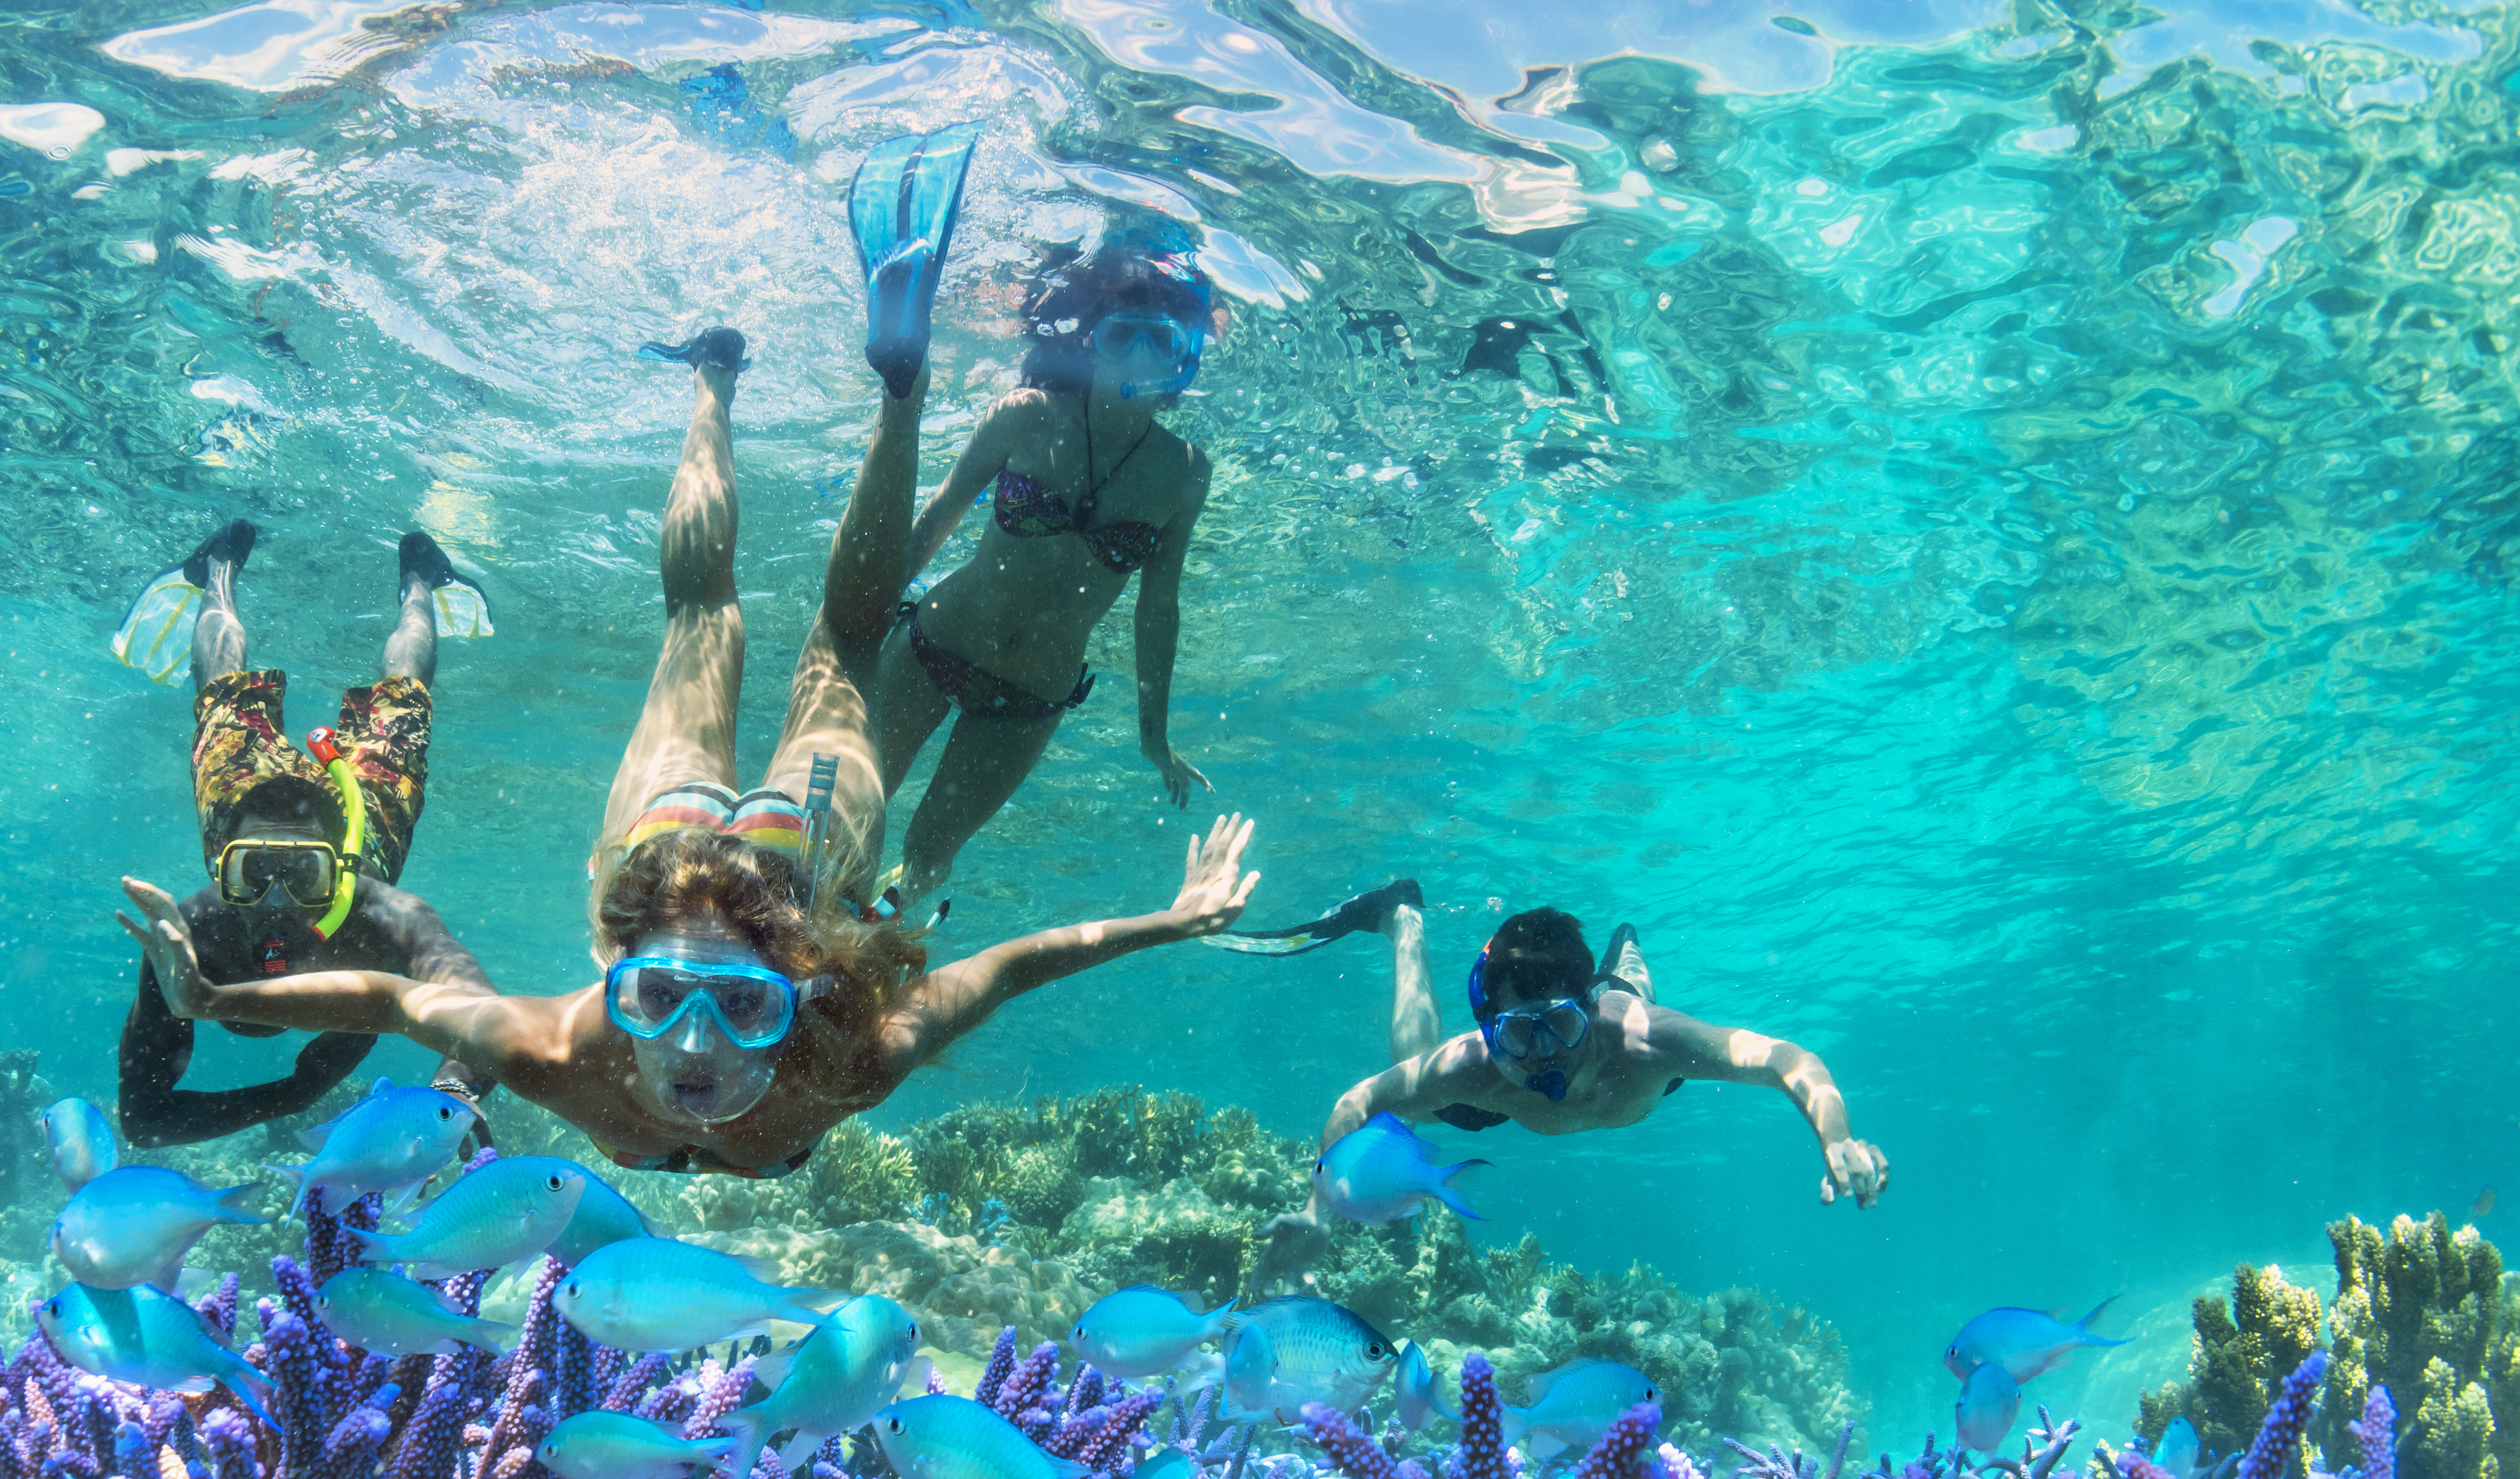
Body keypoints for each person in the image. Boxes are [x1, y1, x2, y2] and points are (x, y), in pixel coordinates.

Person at [115, 133, 1267, 1176]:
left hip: (692, 851)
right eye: (664, 996)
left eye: (706, 1005)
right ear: (798, 988)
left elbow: (394, 1005)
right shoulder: (842, 1061)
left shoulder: (569, 1050)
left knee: (742, 621)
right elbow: (1010, 966)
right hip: (785, 860)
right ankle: (797, 386)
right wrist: (1165, 920)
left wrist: (216, 993)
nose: (694, 1043)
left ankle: (783, 380)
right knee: (784, 627)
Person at [110, 521, 501, 1148]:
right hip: (253, 800)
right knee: (225, 688)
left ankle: (420, 579)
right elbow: (143, 1120)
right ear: (221, 864)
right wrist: (295, 1094)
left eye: (303, 875)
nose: (275, 904)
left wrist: (454, 1093)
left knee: (402, 694)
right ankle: (216, 568)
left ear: (340, 866)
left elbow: (489, 1021)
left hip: (363, 811)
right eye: (255, 872)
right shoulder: (188, 935)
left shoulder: (384, 917)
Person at [1259, 891, 1888, 1271]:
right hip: (1504, 1090)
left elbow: (1787, 1060)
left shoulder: (1644, 1042)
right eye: (1517, 1033)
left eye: (1558, 1025)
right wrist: (1318, 1210)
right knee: (1416, 1084)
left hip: (1629, 1044)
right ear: (1489, 1029)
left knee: (1635, 989)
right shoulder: (1474, 1064)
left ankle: (1624, 951)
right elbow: (1357, 1101)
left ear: (1584, 1010)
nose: (1541, 1058)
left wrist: (1836, 1138)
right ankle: (1404, 918)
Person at [869, 238, 1218, 907]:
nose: (1140, 356)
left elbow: (1158, 609)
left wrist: (1156, 736)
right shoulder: (1026, 416)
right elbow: (936, 520)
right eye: (1123, 336)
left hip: (1029, 700)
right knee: (853, 816)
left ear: (1182, 356)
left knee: (928, 858)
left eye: (1159, 340)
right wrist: (865, 612)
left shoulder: (1183, 472)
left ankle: (864, 953)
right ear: (1091, 343)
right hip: (933, 645)